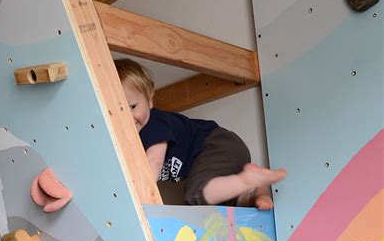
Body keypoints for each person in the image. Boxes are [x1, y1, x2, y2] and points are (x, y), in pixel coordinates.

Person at [115, 58, 286, 209]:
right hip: (219, 156)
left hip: (216, 145)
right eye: (118, 110)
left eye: (132, 106)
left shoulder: (155, 123)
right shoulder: (133, 141)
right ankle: (252, 192)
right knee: (217, 202)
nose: (128, 117)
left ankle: (247, 180)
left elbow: (154, 162)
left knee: (195, 195)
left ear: (150, 99)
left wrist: (137, 199)